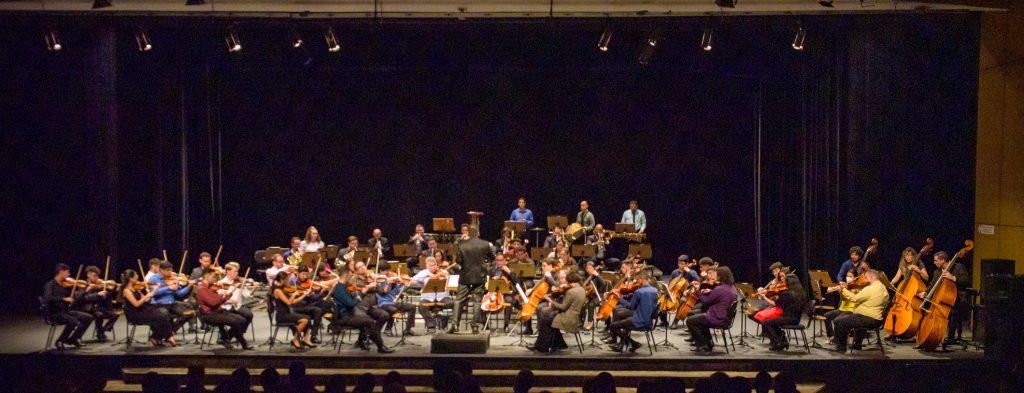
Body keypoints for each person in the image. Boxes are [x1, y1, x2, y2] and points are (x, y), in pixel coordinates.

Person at [331, 268, 394, 353]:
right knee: (369, 321)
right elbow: (351, 303)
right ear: (346, 276)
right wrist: (361, 295)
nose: (351, 278)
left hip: (350, 313)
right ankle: (380, 345)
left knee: (369, 320)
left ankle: (370, 341)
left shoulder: (343, 287)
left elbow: (351, 299)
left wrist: (358, 295)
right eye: (350, 276)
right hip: (344, 317)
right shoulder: (340, 289)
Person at [829, 269, 889, 352]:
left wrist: (843, 289)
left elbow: (855, 299)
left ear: (871, 277)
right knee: (843, 319)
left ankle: (841, 348)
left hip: (869, 318)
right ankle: (857, 345)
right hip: (875, 318)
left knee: (841, 322)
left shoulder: (871, 288)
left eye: (865, 277)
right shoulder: (882, 287)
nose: (863, 279)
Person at [450, 225, 494, 334]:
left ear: (468, 233)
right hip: (480, 275)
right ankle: (475, 326)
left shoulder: (461, 244)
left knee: (459, 300)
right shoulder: (485, 244)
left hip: (465, 275)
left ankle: (455, 325)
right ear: (478, 233)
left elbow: (459, 261)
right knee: (477, 301)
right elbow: (492, 258)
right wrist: (483, 261)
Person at [920, 251, 970, 346]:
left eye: (936, 261)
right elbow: (932, 285)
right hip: (943, 300)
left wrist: (953, 278)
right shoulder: (937, 272)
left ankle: (951, 338)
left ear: (943, 260)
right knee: (926, 308)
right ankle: (928, 335)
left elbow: (967, 281)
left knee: (953, 311)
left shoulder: (958, 267)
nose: (934, 263)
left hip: (958, 299)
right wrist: (925, 292)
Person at [196, 268, 253, 350]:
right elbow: (213, 302)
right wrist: (222, 296)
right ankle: (243, 344)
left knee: (242, 320)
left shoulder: (210, 287)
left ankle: (225, 338)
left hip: (217, 311)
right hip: (209, 314)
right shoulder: (202, 289)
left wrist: (228, 295)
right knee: (235, 322)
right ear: (206, 276)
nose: (215, 279)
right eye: (213, 277)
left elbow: (218, 302)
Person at [529, 272, 586, 352]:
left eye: (567, 281)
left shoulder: (571, 292)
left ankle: (542, 347)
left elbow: (563, 307)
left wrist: (550, 301)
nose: (566, 283)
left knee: (545, 321)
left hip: (568, 318)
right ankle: (557, 345)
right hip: (575, 317)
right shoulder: (582, 289)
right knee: (549, 319)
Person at [685, 266, 737, 353]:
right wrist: (711, 292)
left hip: (716, 318)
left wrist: (698, 291)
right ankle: (708, 343)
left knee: (690, 321)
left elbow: (706, 302)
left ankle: (703, 344)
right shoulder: (732, 287)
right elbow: (720, 296)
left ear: (720, 276)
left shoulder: (720, 289)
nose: (715, 276)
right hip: (725, 318)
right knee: (697, 317)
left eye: (716, 274)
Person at [118, 269, 176, 346]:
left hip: (142, 310)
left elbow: (147, 299)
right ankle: (167, 337)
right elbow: (136, 304)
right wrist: (146, 296)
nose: (138, 276)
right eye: (136, 275)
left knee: (164, 313)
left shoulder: (135, 289)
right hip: (135, 314)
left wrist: (154, 289)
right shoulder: (126, 291)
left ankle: (156, 337)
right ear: (131, 279)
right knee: (160, 316)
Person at [43, 263, 94, 348]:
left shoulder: (66, 285)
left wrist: (85, 290)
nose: (69, 274)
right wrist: (63, 299)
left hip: (66, 311)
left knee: (88, 317)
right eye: (67, 272)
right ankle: (60, 340)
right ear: (61, 272)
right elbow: (47, 298)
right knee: (73, 321)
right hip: (55, 313)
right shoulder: (50, 285)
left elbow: (75, 297)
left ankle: (74, 339)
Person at [758, 264, 806, 351]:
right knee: (772, 322)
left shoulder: (786, 293)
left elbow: (775, 304)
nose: (782, 280)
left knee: (765, 323)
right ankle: (783, 341)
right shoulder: (800, 291)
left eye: (784, 278)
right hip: (796, 318)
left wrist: (764, 297)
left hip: (789, 318)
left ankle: (778, 343)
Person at [608, 272, 658, 353]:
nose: (636, 281)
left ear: (642, 280)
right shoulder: (655, 290)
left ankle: (634, 343)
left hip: (638, 321)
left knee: (613, 326)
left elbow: (630, 307)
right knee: (625, 321)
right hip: (649, 321)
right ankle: (623, 345)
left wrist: (619, 298)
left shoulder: (639, 292)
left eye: (637, 280)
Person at [269, 271, 314, 349]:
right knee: (304, 320)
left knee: (308, 317)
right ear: (282, 280)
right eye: (287, 279)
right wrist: (293, 294)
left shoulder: (282, 289)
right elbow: (289, 303)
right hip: (282, 316)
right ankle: (295, 339)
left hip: (287, 313)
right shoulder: (277, 291)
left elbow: (292, 302)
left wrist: (304, 295)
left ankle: (306, 339)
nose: (288, 281)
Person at [478, 253, 520, 333]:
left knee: (509, 300)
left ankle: (506, 325)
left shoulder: (510, 270)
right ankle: (485, 325)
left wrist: (509, 272)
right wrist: (490, 282)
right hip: (492, 293)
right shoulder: (491, 270)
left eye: (501, 260)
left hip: (506, 294)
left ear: (504, 261)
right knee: (480, 301)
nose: (499, 262)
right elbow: (485, 282)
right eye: (497, 260)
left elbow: (516, 282)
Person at [148, 261, 194, 331]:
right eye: (167, 270)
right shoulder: (154, 279)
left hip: (171, 304)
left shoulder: (173, 278)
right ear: (161, 270)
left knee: (190, 312)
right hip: (159, 305)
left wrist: (189, 286)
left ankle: (172, 328)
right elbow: (153, 293)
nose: (169, 272)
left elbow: (179, 294)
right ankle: (166, 332)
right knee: (164, 314)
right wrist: (168, 287)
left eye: (171, 270)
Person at [409, 257, 452, 331]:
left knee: (450, 304)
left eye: (435, 265)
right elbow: (412, 281)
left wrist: (447, 277)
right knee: (421, 306)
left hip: (442, 297)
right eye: (431, 266)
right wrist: (427, 275)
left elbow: (451, 283)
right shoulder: (423, 273)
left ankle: (443, 323)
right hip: (428, 298)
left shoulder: (443, 272)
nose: (433, 267)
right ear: (427, 266)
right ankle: (431, 324)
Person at [376, 264, 418, 336]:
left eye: (388, 270)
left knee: (412, 307)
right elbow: (383, 292)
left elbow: (398, 292)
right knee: (393, 309)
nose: (388, 273)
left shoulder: (393, 282)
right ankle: (388, 329)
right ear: (380, 271)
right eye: (385, 271)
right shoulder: (379, 281)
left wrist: (405, 286)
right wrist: (388, 283)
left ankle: (408, 329)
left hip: (393, 302)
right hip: (383, 303)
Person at [80, 265, 119, 341]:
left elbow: (107, 295)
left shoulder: (99, 285)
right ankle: (100, 333)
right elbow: (85, 299)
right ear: (88, 274)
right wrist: (94, 292)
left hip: (99, 308)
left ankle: (102, 331)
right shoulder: (83, 284)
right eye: (94, 276)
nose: (97, 278)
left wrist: (113, 291)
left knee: (115, 315)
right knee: (99, 315)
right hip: (88, 308)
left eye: (97, 276)